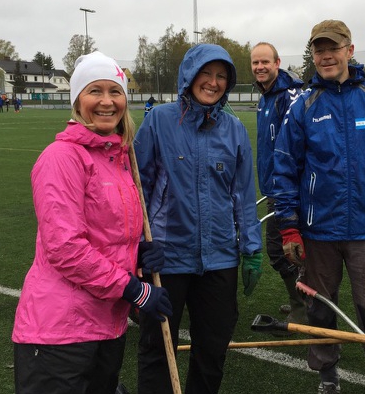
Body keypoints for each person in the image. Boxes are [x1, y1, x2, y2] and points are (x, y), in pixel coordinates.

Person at [273, 20, 365, 394]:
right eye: (318, 50)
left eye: (333, 48)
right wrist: (289, 227)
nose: (325, 56)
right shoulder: (303, 105)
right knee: (321, 312)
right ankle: (328, 378)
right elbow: (284, 168)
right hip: (318, 231)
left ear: (349, 51)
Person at [11, 51, 172, 394]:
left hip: (107, 326)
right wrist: (135, 291)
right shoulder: (62, 158)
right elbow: (66, 249)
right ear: (77, 100)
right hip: (60, 332)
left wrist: (139, 256)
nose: (106, 102)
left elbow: (108, 237)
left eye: (114, 92)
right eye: (94, 91)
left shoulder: (118, 158)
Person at [134, 43, 263, 394]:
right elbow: (138, 189)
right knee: (157, 350)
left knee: (213, 351)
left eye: (222, 76)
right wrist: (135, 247)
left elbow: (243, 194)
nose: (213, 82)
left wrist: (251, 249)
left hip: (220, 259)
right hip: (166, 259)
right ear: (189, 76)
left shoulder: (235, 129)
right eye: (206, 73)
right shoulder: (158, 120)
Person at [250, 42, 308, 326]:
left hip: (288, 190)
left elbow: (297, 147)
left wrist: (290, 189)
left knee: (280, 249)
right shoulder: (266, 98)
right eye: (255, 63)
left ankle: (303, 306)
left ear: (277, 62)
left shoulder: (290, 96)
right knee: (289, 249)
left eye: (265, 62)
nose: (260, 67)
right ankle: (304, 301)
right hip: (274, 187)